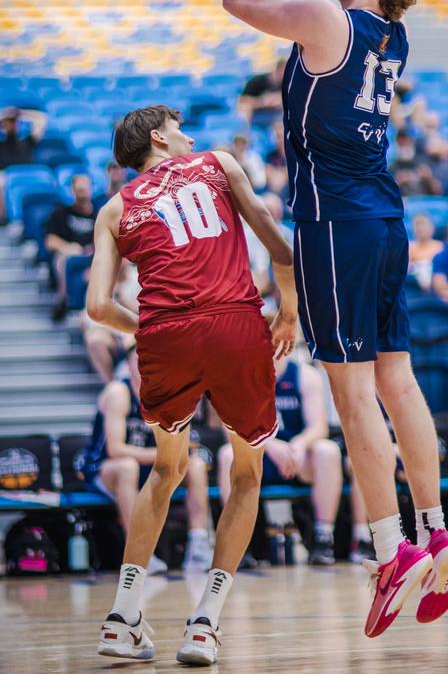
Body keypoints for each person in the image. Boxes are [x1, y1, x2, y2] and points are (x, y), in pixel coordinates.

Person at [223, 0, 448, 638]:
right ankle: (434, 529)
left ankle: (391, 549)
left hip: (334, 224)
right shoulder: (387, 33)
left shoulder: (326, 19)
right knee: (399, 379)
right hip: (387, 220)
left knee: (353, 392)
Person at [88, 104, 297, 664]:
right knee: (247, 473)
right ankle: (204, 623)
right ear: (158, 137)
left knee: (166, 469)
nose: (189, 137)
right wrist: (289, 315)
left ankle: (122, 617)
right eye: (180, 130)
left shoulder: (113, 209)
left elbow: (97, 307)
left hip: (165, 338)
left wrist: (151, 328)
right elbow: (281, 251)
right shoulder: (220, 163)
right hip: (234, 323)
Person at [82, 347, 213, 574]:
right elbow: (115, 449)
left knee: (197, 465)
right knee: (127, 467)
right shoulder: (119, 392)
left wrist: (176, 453)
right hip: (106, 467)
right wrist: (167, 454)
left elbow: (185, 447)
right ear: (129, 365)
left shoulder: (169, 393)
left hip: (150, 465)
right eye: (139, 360)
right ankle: (140, 554)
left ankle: (198, 545)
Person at [218, 353, 343, 566]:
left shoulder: (305, 375)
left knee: (327, 450)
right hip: (258, 455)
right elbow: (230, 429)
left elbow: (319, 427)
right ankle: (238, 544)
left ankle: (324, 538)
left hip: (296, 459)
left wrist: (300, 444)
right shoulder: (239, 375)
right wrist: (268, 445)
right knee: (227, 454)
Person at [45, 174, 99, 321]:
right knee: (63, 260)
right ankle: (64, 299)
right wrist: (69, 247)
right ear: (72, 191)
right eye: (78, 189)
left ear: (91, 189)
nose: (82, 193)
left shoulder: (99, 214)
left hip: (93, 256)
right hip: (69, 255)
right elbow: (50, 241)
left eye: (84, 189)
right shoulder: (61, 213)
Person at [0, 106, 47, 224]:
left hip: (28, 175)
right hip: (6, 176)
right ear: (2, 124)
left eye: (13, 122)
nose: (11, 124)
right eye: (8, 122)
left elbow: (41, 119)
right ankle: (1, 218)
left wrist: (21, 113)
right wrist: (3, 114)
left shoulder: (28, 140)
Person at [238, 58, 286, 124]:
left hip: (275, 114)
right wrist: (262, 101)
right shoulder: (257, 81)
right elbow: (242, 100)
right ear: (278, 70)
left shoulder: (286, 83)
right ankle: (245, 131)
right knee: (244, 108)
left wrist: (279, 100)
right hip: (256, 111)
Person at [408, 214, 443, 290]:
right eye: (418, 227)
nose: (421, 229)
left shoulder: (440, 247)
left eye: (424, 226)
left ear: (432, 228)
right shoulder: (410, 249)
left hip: (437, 286)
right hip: (416, 287)